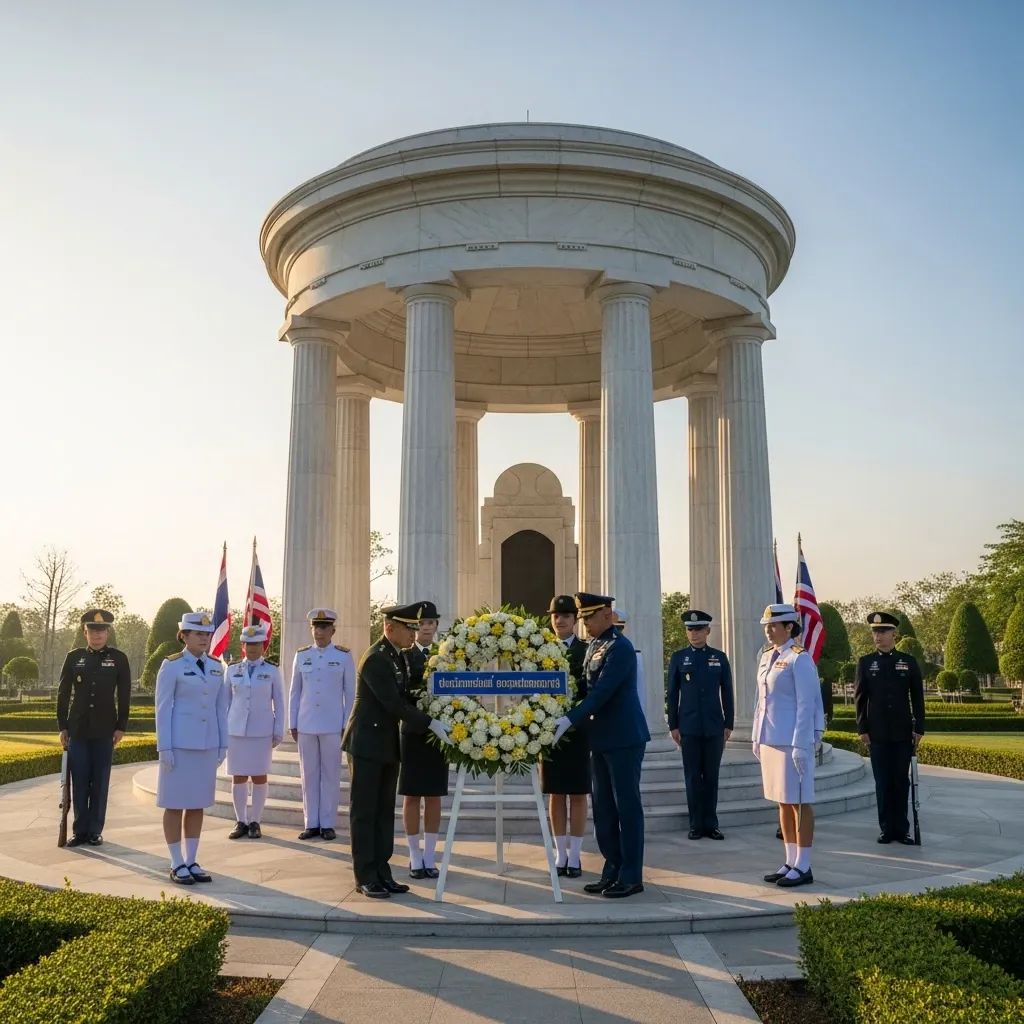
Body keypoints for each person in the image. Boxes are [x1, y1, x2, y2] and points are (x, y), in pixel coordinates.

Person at [342, 603, 452, 899]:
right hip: (366, 745)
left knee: (382, 812)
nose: (413, 633)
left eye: (416, 628)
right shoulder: (376, 659)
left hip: (386, 745)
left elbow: (407, 696)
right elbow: (394, 704)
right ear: (390, 627)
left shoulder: (397, 657)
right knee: (365, 812)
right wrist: (432, 724)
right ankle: (365, 875)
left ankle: (382, 872)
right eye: (409, 628)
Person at [552, 593, 650, 899]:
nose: (585, 624)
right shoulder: (595, 645)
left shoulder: (620, 648)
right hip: (601, 737)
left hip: (624, 738)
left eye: (589, 618)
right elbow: (582, 687)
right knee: (605, 809)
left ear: (607, 615)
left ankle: (631, 875)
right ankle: (612, 869)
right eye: (582, 619)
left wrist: (568, 720)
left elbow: (602, 693)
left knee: (627, 807)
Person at [155, 611, 228, 885]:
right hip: (180, 744)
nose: (204, 639)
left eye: (207, 634)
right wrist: (165, 747)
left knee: (197, 804)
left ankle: (192, 859)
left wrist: (223, 743)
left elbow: (221, 708)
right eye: (198, 634)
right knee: (174, 804)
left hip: (207, 744)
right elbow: (162, 709)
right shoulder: (171, 665)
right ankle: (176, 861)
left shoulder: (215, 666)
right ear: (184, 636)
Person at [753, 603, 820, 888]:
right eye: (766, 626)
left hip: (792, 740)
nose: (769, 630)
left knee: (800, 802)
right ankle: (790, 860)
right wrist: (757, 735)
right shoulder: (767, 656)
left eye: (774, 625)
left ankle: (804, 865)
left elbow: (807, 704)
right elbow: (762, 701)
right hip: (771, 738)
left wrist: (802, 744)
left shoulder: (799, 658)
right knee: (783, 801)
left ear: (789, 627)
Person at [56, 609, 132, 847]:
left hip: (105, 730)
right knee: (78, 781)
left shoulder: (119, 659)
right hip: (78, 729)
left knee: (100, 781)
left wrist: (121, 726)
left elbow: (125, 695)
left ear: (107, 632)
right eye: (92, 630)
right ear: (84, 632)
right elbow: (63, 693)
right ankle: (79, 831)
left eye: (101, 630)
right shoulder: (74, 657)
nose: (97, 635)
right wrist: (62, 726)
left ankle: (95, 830)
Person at [854, 611, 925, 845]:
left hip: (903, 732)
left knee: (900, 782)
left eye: (883, 631)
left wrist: (920, 728)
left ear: (894, 634)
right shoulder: (865, 663)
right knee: (882, 783)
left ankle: (902, 829)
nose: (878, 636)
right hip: (877, 733)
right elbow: (860, 699)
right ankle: (886, 828)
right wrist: (862, 728)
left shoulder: (907, 661)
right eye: (875, 632)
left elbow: (917, 698)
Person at [288, 608, 355, 841]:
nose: (319, 632)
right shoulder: (302, 655)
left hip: (332, 724)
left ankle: (327, 823)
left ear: (333, 630)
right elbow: (294, 692)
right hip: (306, 723)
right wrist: (292, 722)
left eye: (324, 627)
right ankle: (311, 823)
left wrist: (346, 724)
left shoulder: (343, 656)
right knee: (308, 774)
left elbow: (350, 693)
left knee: (330, 774)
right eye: (316, 627)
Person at [666, 609, 734, 840]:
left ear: (708, 630)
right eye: (690, 629)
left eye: (698, 629)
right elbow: (672, 694)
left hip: (715, 726)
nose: (693, 634)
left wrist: (729, 723)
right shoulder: (678, 658)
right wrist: (673, 725)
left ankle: (711, 823)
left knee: (712, 776)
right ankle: (696, 824)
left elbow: (727, 692)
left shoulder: (719, 657)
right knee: (693, 777)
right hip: (689, 727)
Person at [538, 595, 589, 877]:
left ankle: (577, 855)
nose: (560, 620)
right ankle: (560, 853)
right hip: (550, 732)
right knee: (556, 792)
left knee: (579, 793)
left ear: (575, 619)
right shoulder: (541, 650)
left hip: (578, 730)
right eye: (556, 615)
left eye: (566, 615)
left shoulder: (586, 649)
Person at [398, 601, 448, 879]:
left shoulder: (446, 654)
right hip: (414, 733)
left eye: (430, 623)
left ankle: (430, 855)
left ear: (436, 626)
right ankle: (414, 855)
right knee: (412, 795)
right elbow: (402, 695)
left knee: (434, 795)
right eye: (420, 624)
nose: (425, 628)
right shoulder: (405, 656)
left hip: (438, 735)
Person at [224, 623, 284, 840]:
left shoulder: (272, 670)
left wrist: (278, 730)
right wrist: (222, 731)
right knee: (238, 777)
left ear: (263, 646)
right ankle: (241, 820)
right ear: (242, 646)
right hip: (236, 731)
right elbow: (224, 703)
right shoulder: (232, 670)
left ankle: (256, 821)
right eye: (248, 644)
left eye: (256, 643)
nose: (252, 648)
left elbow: (279, 702)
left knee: (259, 777)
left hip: (261, 731)